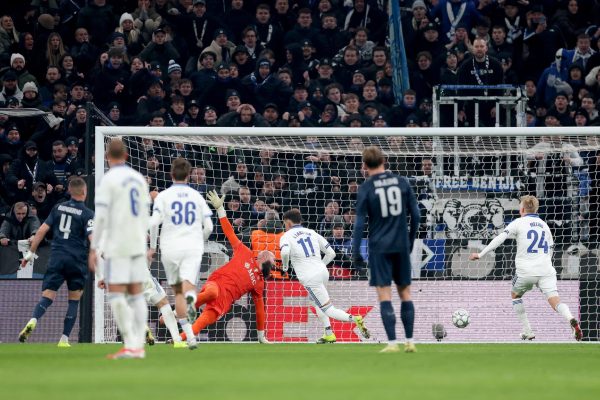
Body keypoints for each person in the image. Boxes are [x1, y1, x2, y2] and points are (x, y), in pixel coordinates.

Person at [469, 195, 583, 341]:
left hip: (526, 271)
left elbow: (500, 238)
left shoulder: (518, 222)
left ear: (522, 209)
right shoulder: (544, 225)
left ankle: (528, 330)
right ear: (536, 209)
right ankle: (571, 318)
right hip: (546, 270)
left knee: (515, 295)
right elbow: (551, 249)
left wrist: (480, 254)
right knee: (555, 301)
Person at [179, 190, 272, 344]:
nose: (265, 250)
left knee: (206, 319)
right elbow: (229, 232)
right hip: (217, 283)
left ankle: (180, 339)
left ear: (265, 259)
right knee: (212, 293)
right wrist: (220, 209)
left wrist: (261, 336)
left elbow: (260, 309)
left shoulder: (259, 283)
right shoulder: (245, 252)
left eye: (269, 254)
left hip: (225, 301)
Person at [352, 146, 420, 353]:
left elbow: (359, 224)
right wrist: (410, 241)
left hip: (379, 247)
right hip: (400, 245)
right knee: (405, 293)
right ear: (384, 160)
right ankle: (410, 341)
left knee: (385, 295)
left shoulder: (366, 188)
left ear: (364, 166)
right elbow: (416, 215)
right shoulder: (402, 182)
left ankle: (392, 343)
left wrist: (356, 253)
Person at [88, 139, 151, 359]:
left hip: (118, 243)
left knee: (116, 294)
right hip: (137, 242)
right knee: (136, 293)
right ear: (126, 156)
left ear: (107, 157)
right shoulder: (139, 179)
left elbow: (102, 216)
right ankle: (138, 347)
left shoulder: (108, 180)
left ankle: (130, 344)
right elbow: (145, 215)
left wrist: (95, 247)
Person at [18, 177, 94, 347]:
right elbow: (92, 238)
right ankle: (64, 339)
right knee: (74, 300)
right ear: (84, 192)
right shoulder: (88, 213)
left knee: (48, 296)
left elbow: (42, 231)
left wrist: (30, 253)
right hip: (76, 260)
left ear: (69, 191)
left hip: (57, 257)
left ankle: (33, 320)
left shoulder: (58, 207)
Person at [148, 158, 214, 350]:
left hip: (170, 247)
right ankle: (191, 302)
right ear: (189, 175)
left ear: (171, 174)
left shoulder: (163, 196)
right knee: (189, 286)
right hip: (192, 246)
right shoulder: (196, 196)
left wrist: (152, 247)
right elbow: (209, 226)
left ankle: (190, 337)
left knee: (177, 291)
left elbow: (153, 223)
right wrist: (199, 240)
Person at [280, 208, 370, 344]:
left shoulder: (286, 236)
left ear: (288, 222)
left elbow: (285, 252)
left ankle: (355, 318)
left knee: (328, 308)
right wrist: (320, 266)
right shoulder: (312, 232)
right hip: (322, 272)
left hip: (310, 276)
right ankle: (328, 333)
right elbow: (331, 253)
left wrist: (285, 268)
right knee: (316, 302)